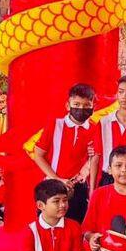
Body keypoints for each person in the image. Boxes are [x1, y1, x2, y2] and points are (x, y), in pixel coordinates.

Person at [33, 83, 101, 222]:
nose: (81, 109)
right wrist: (57, 179)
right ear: (68, 105)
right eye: (76, 104)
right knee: (48, 226)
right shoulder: (55, 125)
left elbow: (94, 159)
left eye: (86, 105)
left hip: (78, 188)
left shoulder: (95, 129)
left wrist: (84, 181)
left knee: (75, 226)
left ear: (93, 107)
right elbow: (38, 155)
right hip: (52, 184)